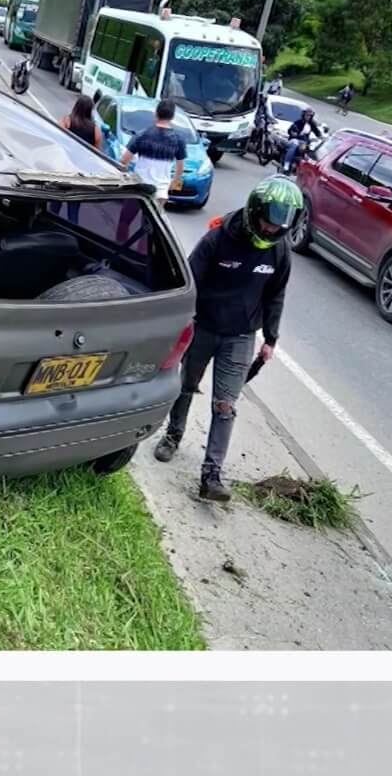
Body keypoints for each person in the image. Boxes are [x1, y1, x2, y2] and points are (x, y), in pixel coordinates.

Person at [152, 176, 303, 501]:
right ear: (254, 211)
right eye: (268, 221)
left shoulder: (279, 251)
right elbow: (189, 280)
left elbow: (276, 295)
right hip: (203, 327)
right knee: (186, 385)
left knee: (225, 405)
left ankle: (212, 475)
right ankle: (173, 435)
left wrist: (271, 338)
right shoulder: (219, 238)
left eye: (279, 226)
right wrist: (180, 322)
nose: (272, 230)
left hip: (240, 336)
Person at [119, 98, 188, 206]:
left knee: (126, 219)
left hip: (139, 187)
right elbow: (180, 168)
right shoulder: (178, 139)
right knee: (152, 221)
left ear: (155, 113)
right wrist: (173, 184)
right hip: (160, 190)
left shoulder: (142, 135)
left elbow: (124, 160)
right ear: (172, 117)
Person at [279, 108, 318, 173]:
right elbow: (290, 130)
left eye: (310, 116)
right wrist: (293, 133)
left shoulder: (312, 124)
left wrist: (322, 137)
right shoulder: (298, 122)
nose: (308, 117)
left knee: (311, 150)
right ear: (303, 115)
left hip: (304, 143)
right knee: (294, 145)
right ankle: (287, 164)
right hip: (295, 140)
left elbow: (318, 133)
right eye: (307, 115)